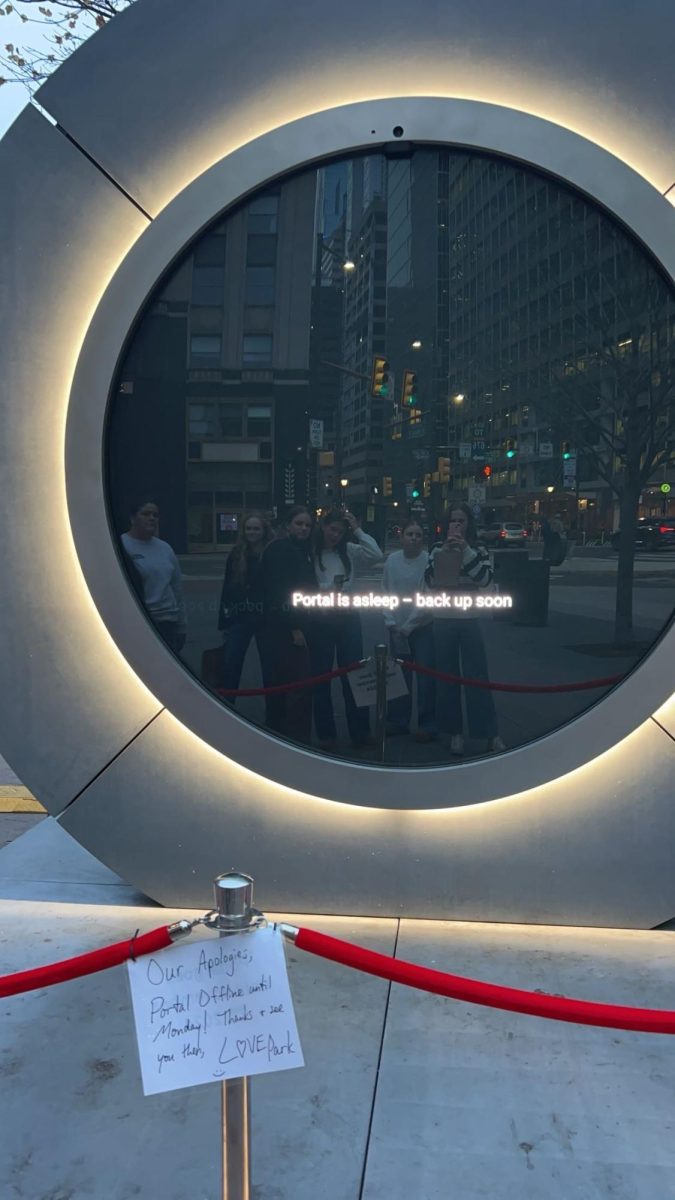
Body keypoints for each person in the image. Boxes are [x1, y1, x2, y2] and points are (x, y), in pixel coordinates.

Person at [425, 504, 504, 755]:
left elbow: (485, 581)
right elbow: (428, 584)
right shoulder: (437, 548)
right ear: (446, 524)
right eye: (453, 521)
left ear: (469, 523)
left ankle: (489, 733)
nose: (457, 525)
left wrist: (466, 552)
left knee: (477, 676)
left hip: (470, 617)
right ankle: (454, 733)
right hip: (443, 617)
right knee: (447, 677)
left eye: (461, 520)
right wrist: (445, 555)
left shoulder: (478, 549)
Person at [309, 509, 383, 751]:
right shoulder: (312, 551)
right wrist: (329, 588)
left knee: (354, 674)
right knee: (321, 677)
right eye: (332, 529)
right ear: (323, 526)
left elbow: (376, 554)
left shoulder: (349, 550)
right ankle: (326, 733)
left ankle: (360, 731)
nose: (335, 535)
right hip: (320, 617)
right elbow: (305, 583)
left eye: (340, 531)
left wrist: (357, 529)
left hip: (348, 616)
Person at [260, 506, 317, 743]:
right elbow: (279, 591)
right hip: (285, 628)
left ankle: (283, 734)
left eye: (307, 525)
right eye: (299, 524)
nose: (303, 528)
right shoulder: (282, 549)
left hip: (296, 624)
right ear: (288, 525)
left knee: (288, 684)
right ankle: (290, 737)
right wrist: (293, 627)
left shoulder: (301, 550)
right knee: (294, 685)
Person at [381, 520, 436, 742]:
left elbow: (427, 597)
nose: (414, 538)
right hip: (396, 626)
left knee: (425, 677)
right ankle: (397, 721)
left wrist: (409, 626)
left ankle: (427, 724)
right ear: (402, 537)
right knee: (398, 677)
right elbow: (384, 590)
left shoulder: (428, 561)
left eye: (418, 535)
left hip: (422, 626)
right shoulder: (392, 560)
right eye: (410, 534)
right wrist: (390, 621)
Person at [217, 511, 274, 699]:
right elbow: (227, 588)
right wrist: (224, 622)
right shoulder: (236, 554)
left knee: (270, 667)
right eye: (248, 528)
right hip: (240, 616)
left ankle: (273, 714)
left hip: (266, 617)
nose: (252, 532)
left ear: (264, 530)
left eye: (256, 528)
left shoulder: (272, 552)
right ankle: (227, 705)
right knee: (231, 664)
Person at [121, 498, 186, 653]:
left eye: (155, 515)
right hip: (138, 621)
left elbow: (177, 587)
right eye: (145, 514)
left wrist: (182, 625)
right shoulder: (121, 545)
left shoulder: (165, 548)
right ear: (132, 518)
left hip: (167, 622)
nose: (151, 518)